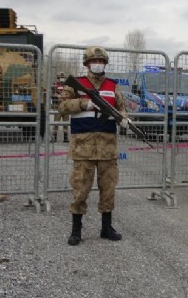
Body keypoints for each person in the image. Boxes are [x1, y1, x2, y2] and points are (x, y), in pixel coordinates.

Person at [58, 46, 132, 246]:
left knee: (108, 188)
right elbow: (62, 106)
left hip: (108, 148)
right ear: (87, 64)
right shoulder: (76, 84)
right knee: (80, 189)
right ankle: (76, 229)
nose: (97, 64)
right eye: (93, 61)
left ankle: (106, 227)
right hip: (83, 147)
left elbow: (121, 108)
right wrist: (84, 104)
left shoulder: (113, 86)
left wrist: (124, 119)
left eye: (100, 61)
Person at [51, 72, 70, 143]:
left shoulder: (67, 86)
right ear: (58, 78)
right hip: (57, 106)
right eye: (60, 78)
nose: (61, 79)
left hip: (66, 106)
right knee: (56, 122)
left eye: (63, 78)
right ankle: (54, 137)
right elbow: (51, 94)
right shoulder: (54, 86)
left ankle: (65, 137)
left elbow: (70, 94)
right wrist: (57, 96)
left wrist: (64, 96)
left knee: (66, 123)